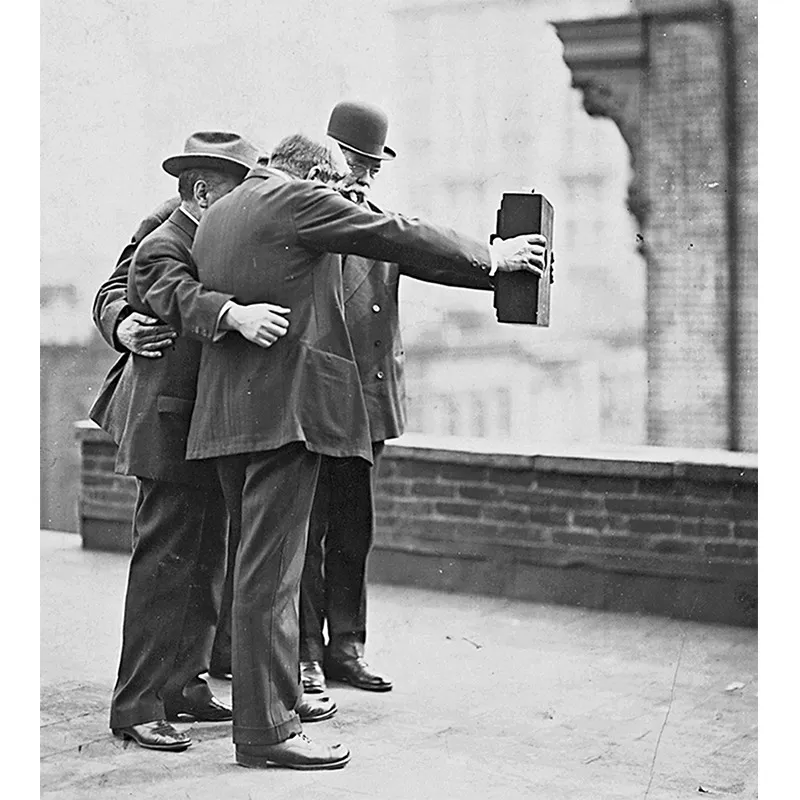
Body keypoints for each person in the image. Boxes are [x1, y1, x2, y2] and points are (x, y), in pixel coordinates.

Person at [184, 132, 549, 770]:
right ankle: (267, 733)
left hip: (226, 414)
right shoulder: (295, 199)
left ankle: (269, 712)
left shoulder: (221, 212)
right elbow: (391, 232)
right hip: (286, 414)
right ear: (312, 177)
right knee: (273, 575)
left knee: (253, 568)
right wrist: (492, 257)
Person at [90, 131, 294, 753]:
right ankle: (138, 704)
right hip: (166, 420)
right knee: (164, 565)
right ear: (204, 191)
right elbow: (131, 291)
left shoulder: (213, 232)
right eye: (238, 190)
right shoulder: (165, 235)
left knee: (204, 561)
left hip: (203, 422)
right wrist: (127, 324)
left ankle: (184, 685)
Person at [299, 100, 499, 696]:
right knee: (308, 533)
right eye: (353, 161)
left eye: (372, 166)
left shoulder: (379, 221)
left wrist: (498, 264)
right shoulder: (306, 216)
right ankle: (307, 653)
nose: (362, 176)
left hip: (367, 404)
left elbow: (427, 255)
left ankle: (346, 648)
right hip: (313, 402)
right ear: (327, 157)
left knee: (354, 529)